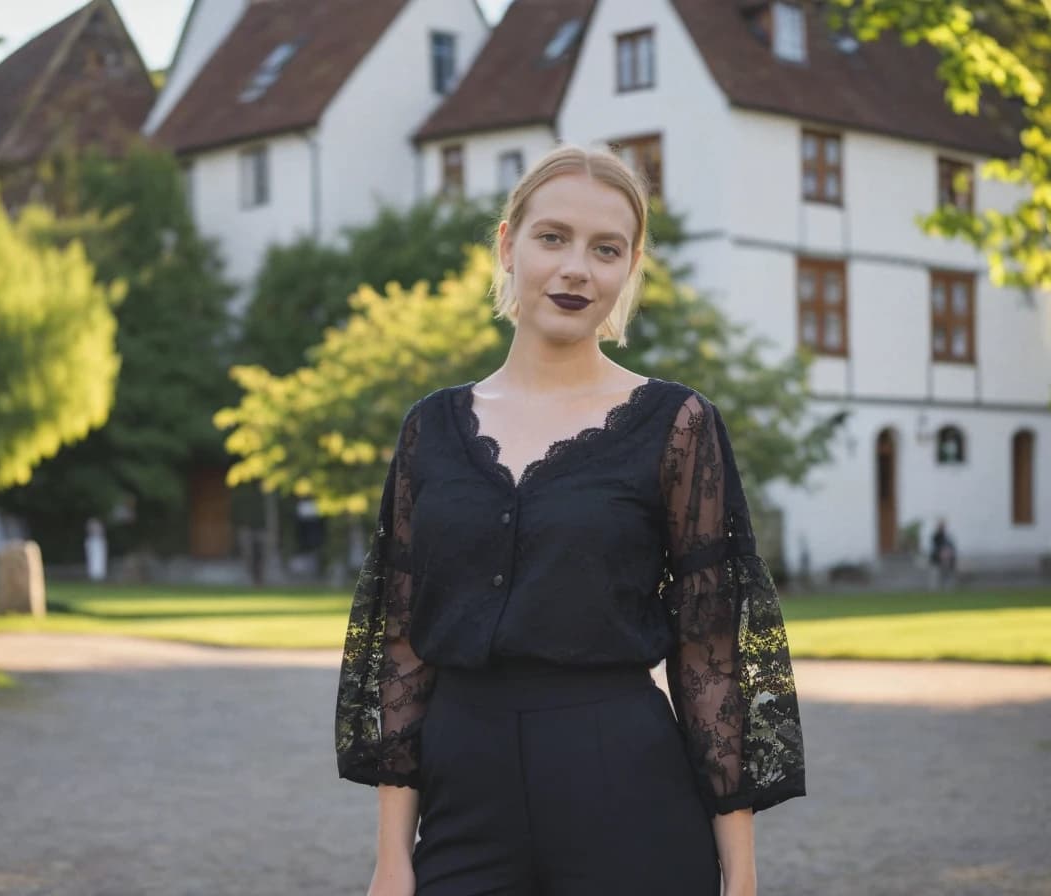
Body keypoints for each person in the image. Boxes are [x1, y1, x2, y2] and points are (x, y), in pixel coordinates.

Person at [334, 144, 807, 896]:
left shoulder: (677, 423)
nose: (577, 268)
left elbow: (710, 647)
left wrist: (741, 875)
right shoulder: (431, 427)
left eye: (606, 249)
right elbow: (401, 642)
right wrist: (393, 856)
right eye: (552, 237)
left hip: (622, 780)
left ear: (630, 267)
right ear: (508, 244)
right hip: (464, 795)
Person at [929, 518, 956, 589]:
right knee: (935, 578)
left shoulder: (947, 537)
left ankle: (947, 589)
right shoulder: (936, 536)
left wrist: (949, 556)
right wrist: (940, 554)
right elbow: (936, 548)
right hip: (936, 560)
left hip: (947, 561)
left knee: (946, 577)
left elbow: (951, 548)